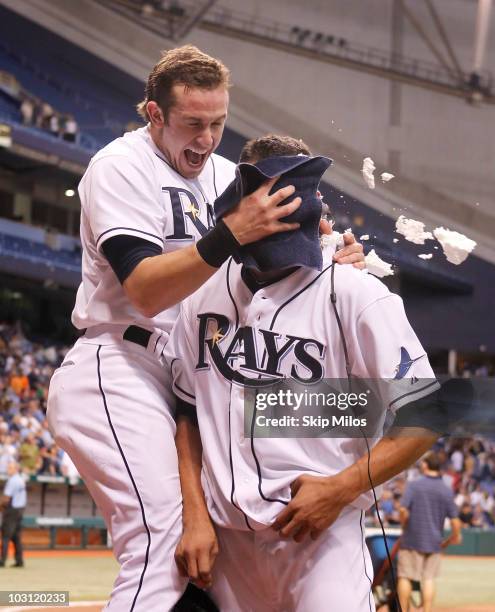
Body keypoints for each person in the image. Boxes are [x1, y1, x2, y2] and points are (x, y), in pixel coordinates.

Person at [46, 46, 364, 611]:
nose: (208, 137)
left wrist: (329, 259)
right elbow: (144, 290)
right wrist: (229, 234)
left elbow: (273, 264)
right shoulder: (121, 165)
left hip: (196, 379)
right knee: (163, 542)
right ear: (154, 114)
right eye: (193, 123)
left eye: (218, 122)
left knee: (213, 556)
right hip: (123, 364)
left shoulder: (224, 175)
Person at [167, 134, 442, 611]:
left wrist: (342, 488)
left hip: (321, 542)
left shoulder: (356, 294)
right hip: (226, 547)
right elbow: (186, 408)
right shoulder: (203, 292)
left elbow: (426, 415)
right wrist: (194, 513)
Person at [397, 451, 462, 612]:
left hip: (412, 539)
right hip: (434, 541)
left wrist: (404, 524)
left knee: (405, 576)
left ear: (425, 465)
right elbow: (455, 521)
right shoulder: (446, 490)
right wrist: (455, 537)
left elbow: (403, 510)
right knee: (429, 579)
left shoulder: (414, 485)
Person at [0, 460, 26, 568]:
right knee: (16, 537)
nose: (8, 470)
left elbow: (6, 498)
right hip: (20, 510)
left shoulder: (13, 481)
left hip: (12, 511)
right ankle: (19, 560)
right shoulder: (21, 479)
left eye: (10, 468)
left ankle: (2, 560)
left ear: (15, 469)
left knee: (5, 536)